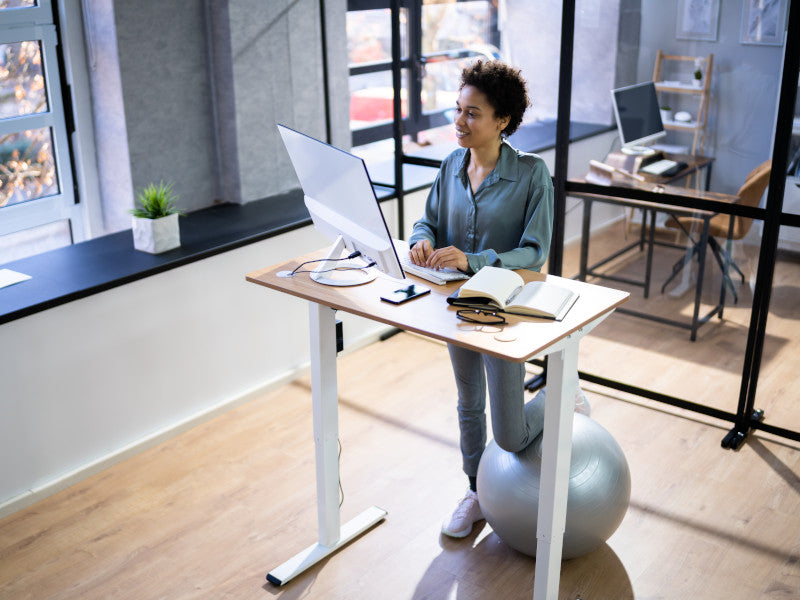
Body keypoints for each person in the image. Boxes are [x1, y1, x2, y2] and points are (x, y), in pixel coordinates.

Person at [408, 59, 554, 539]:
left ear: (502, 121)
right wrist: (421, 239)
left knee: (511, 433)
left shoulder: (532, 175)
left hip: (503, 310)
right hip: (455, 307)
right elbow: (427, 219)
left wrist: (472, 259)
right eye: (458, 109)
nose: (459, 122)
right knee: (469, 403)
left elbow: (534, 253)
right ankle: (475, 492)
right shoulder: (451, 164)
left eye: (473, 113)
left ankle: (558, 397)